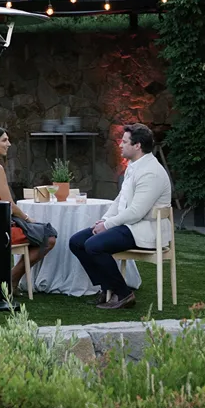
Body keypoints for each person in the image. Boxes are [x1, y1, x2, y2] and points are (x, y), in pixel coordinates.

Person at [69, 124, 170, 310]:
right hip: (130, 226)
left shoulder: (151, 172)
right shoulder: (134, 166)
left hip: (146, 230)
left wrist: (108, 225)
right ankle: (107, 288)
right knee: (77, 241)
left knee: (93, 245)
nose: (120, 145)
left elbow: (136, 212)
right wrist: (104, 221)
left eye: (124, 142)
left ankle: (124, 294)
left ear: (137, 145)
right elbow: (120, 200)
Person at [0, 126, 57, 293]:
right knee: (49, 238)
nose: (9, 144)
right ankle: (10, 279)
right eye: (4, 140)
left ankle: (11, 280)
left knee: (40, 234)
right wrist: (28, 219)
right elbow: (10, 205)